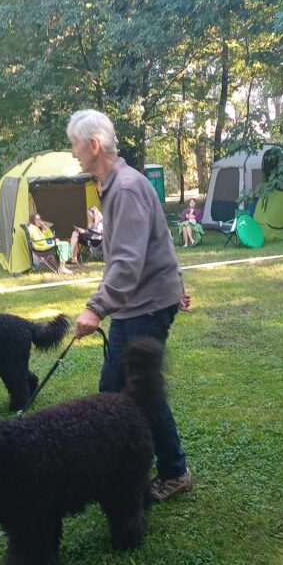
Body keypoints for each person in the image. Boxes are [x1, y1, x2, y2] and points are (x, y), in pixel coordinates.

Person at [68, 109, 193, 502]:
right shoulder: (117, 185)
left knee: (127, 391)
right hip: (143, 303)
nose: (73, 154)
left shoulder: (124, 188)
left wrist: (95, 308)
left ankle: (163, 471)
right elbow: (156, 243)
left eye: (74, 145)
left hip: (144, 307)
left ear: (94, 145)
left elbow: (126, 263)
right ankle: (153, 467)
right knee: (133, 388)